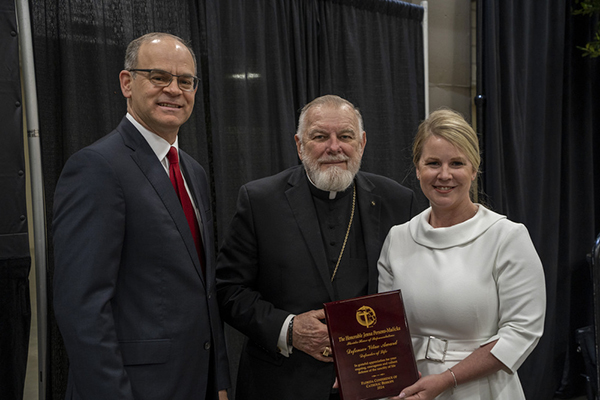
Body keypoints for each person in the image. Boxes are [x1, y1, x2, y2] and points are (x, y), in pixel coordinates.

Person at [52, 32, 230, 400]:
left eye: (185, 81)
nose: (174, 90)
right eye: (159, 77)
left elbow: (203, 293)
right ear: (127, 83)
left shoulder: (192, 171)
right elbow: (82, 307)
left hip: (196, 382)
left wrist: (220, 381)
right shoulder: (97, 167)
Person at [216, 94, 419, 399]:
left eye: (346, 136)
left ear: (362, 143)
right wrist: (289, 328)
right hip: (281, 384)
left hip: (370, 385)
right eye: (320, 136)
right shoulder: (260, 201)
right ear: (299, 145)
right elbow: (228, 290)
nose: (334, 147)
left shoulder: (396, 200)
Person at [377, 108, 546, 400]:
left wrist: (447, 379)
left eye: (457, 163)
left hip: (483, 389)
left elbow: (522, 330)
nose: (444, 175)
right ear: (417, 168)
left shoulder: (507, 237)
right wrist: (364, 372)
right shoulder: (398, 238)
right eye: (432, 163)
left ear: (473, 169)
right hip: (412, 388)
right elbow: (385, 329)